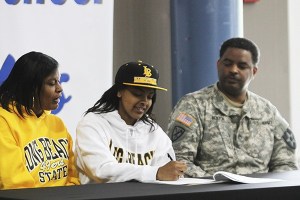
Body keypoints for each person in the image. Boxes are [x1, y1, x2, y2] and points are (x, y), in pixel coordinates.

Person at [167, 37, 298, 177]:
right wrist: (216, 184)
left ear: (254, 72)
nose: (233, 70)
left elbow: (286, 163)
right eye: (228, 64)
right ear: (218, 64)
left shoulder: (267, 111)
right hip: (209, 191)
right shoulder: (194, 105)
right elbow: (179, 161)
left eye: (242, 66)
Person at [75, 61, 187, 184]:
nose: (144, 101)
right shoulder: (92, 123)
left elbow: (166, 175)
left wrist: (168, 172)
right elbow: (101, 171)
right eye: (137, 94)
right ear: (119, 91)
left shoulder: (153, 130)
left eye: (150, 96)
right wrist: (155, 173)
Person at [0, 51, 79, 189]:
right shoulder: (4, 121)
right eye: (52, 83)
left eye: (58, 81)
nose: (60, 89)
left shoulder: (57, 124)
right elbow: (15, 184)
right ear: (31, 87)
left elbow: (74, 176)